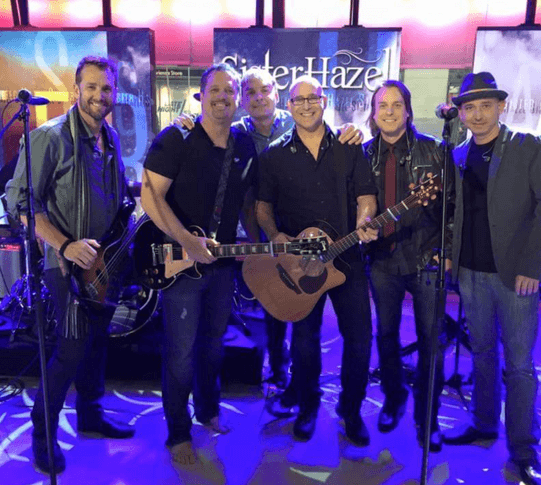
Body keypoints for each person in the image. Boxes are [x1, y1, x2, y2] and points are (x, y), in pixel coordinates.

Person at [176, 67, 364, 389]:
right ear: (242, 100)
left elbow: (332, 142)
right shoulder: (235, 133)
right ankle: (278, 369)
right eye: (250, 92)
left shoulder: (297, 121)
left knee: (305, 311)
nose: (258, 97)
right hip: (262, 228)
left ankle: (299, 383)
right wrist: (186, 123)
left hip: (303, 231)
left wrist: (353, 130)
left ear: (277, 95)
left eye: (264, 90)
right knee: (274, 304)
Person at [6, 55, 135, 475]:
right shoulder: (50, 137)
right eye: (92, 87)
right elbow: (21, 203)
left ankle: (90, 416)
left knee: (97, 342)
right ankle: (43, 433)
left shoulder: (109, 137)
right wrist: (65, 245)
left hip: (103, 264)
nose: (100, 95)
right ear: (76, 90)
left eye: (107, 88)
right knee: (73, 346)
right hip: (64, 265)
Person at [443, 72, 541, 485]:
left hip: (516, 276)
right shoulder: (458, 154)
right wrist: (450, 257)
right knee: (481, 354)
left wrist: (532, 266)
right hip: (470, 273)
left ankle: (524, 450)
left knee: (519, 365)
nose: (477, 114)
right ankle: (484, 423)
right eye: (470, 107)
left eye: (485, 106)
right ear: (461, 114)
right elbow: (455, 213)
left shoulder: (528, 146)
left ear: (501, 107)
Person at [140, 63, 258, 467]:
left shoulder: (244, 144)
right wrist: (186, 241)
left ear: (237, 98)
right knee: (181, 352)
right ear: (201, 95)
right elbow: (150, 196)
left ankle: (208, 411)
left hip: (221, 266)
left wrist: (259, 243)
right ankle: (178, 433)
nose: (223, 97)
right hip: (181, 264)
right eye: (215, 90)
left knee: (213, 346)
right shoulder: (178, 137)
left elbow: (248, 203)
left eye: (230, 91)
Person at [256, 75, 378, 446]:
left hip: (347, 258)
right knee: (305, 341)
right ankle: (308, 406)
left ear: (324, 102)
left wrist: (365, 220)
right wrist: (274, 234)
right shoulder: (274, 155)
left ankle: (351, 410)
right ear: (289, 106)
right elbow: (263, 208)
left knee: (359, 338)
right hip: (300, 265)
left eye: (313, 98)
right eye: (299, 99)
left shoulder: (349, 146)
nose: (306, 105)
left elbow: (366, 197)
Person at [363, 80, 453, 452]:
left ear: (408, 110)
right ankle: (394, 396)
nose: (389, 111)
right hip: (382, 260)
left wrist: (446, 249)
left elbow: (453, 207)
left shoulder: (435, 151)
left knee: (432, 342)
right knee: (386, 335)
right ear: (373, 113)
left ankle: (427, 418)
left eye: (396, 104)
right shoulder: (363, 154)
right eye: (382, 105)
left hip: (426, 258)